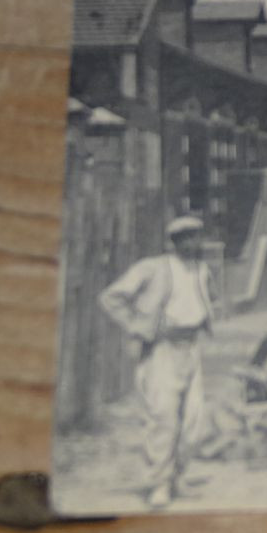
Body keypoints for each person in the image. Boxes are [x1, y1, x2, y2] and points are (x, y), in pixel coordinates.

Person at [97, 215, 216, 509]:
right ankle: (159, 484)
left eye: (197, 236)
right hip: (162, 351)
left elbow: (203, 301)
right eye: (187, 237)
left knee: (195, 423)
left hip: (192, 349)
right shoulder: (153, 268)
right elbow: (111, 297)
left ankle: (177, 476)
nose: (194, 242)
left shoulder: (202, 270)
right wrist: (141, 327)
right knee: (163, 419)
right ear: (174, 242)